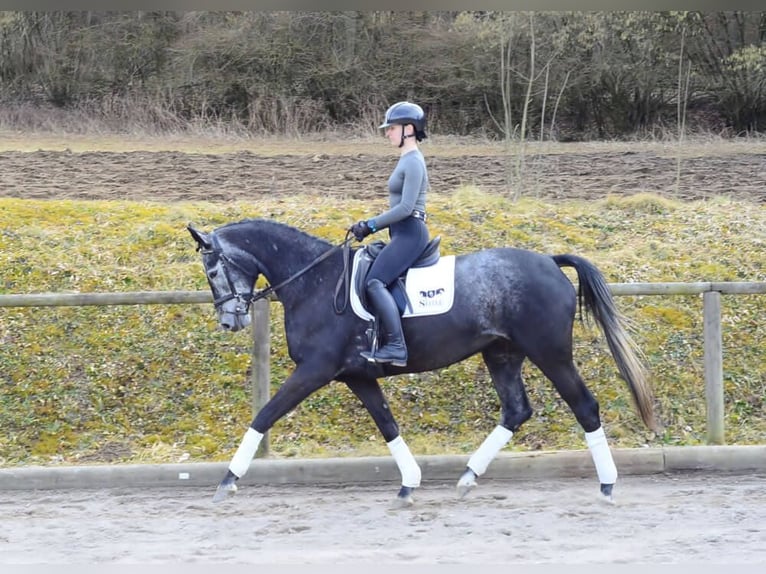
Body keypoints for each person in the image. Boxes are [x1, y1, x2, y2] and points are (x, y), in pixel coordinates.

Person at [349, 101, 430, 367]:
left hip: (411, 233)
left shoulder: (414, 161)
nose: (387, 133)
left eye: (392, 128)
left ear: (409, 129)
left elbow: (406, 208)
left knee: (375, 282)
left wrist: (370, 225)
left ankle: (396, 346)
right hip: (401, 233)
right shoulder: (407, 159)